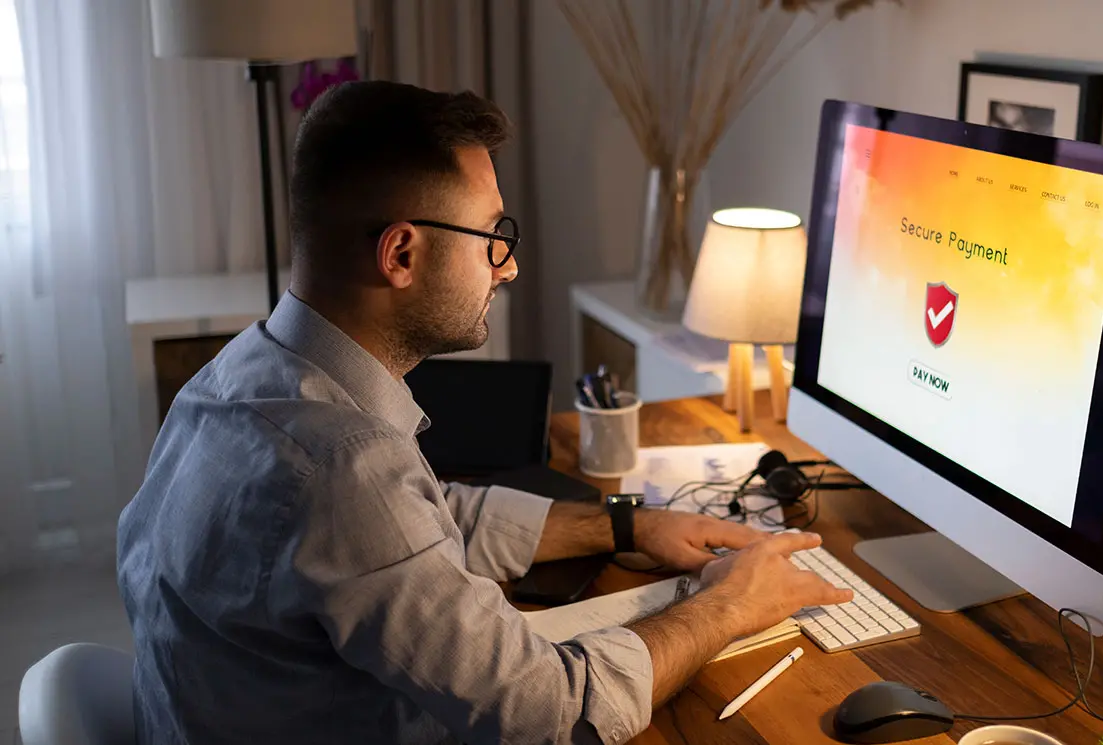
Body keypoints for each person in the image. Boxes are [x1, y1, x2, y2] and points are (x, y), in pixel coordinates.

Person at [116, 81, 850, 745]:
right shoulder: (341, 469)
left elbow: (419, 523)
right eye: (495, 238)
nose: (510, 267)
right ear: (400, 253)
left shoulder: (241, 374)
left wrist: (629, 523)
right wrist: (727, 605)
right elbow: (551, 713)